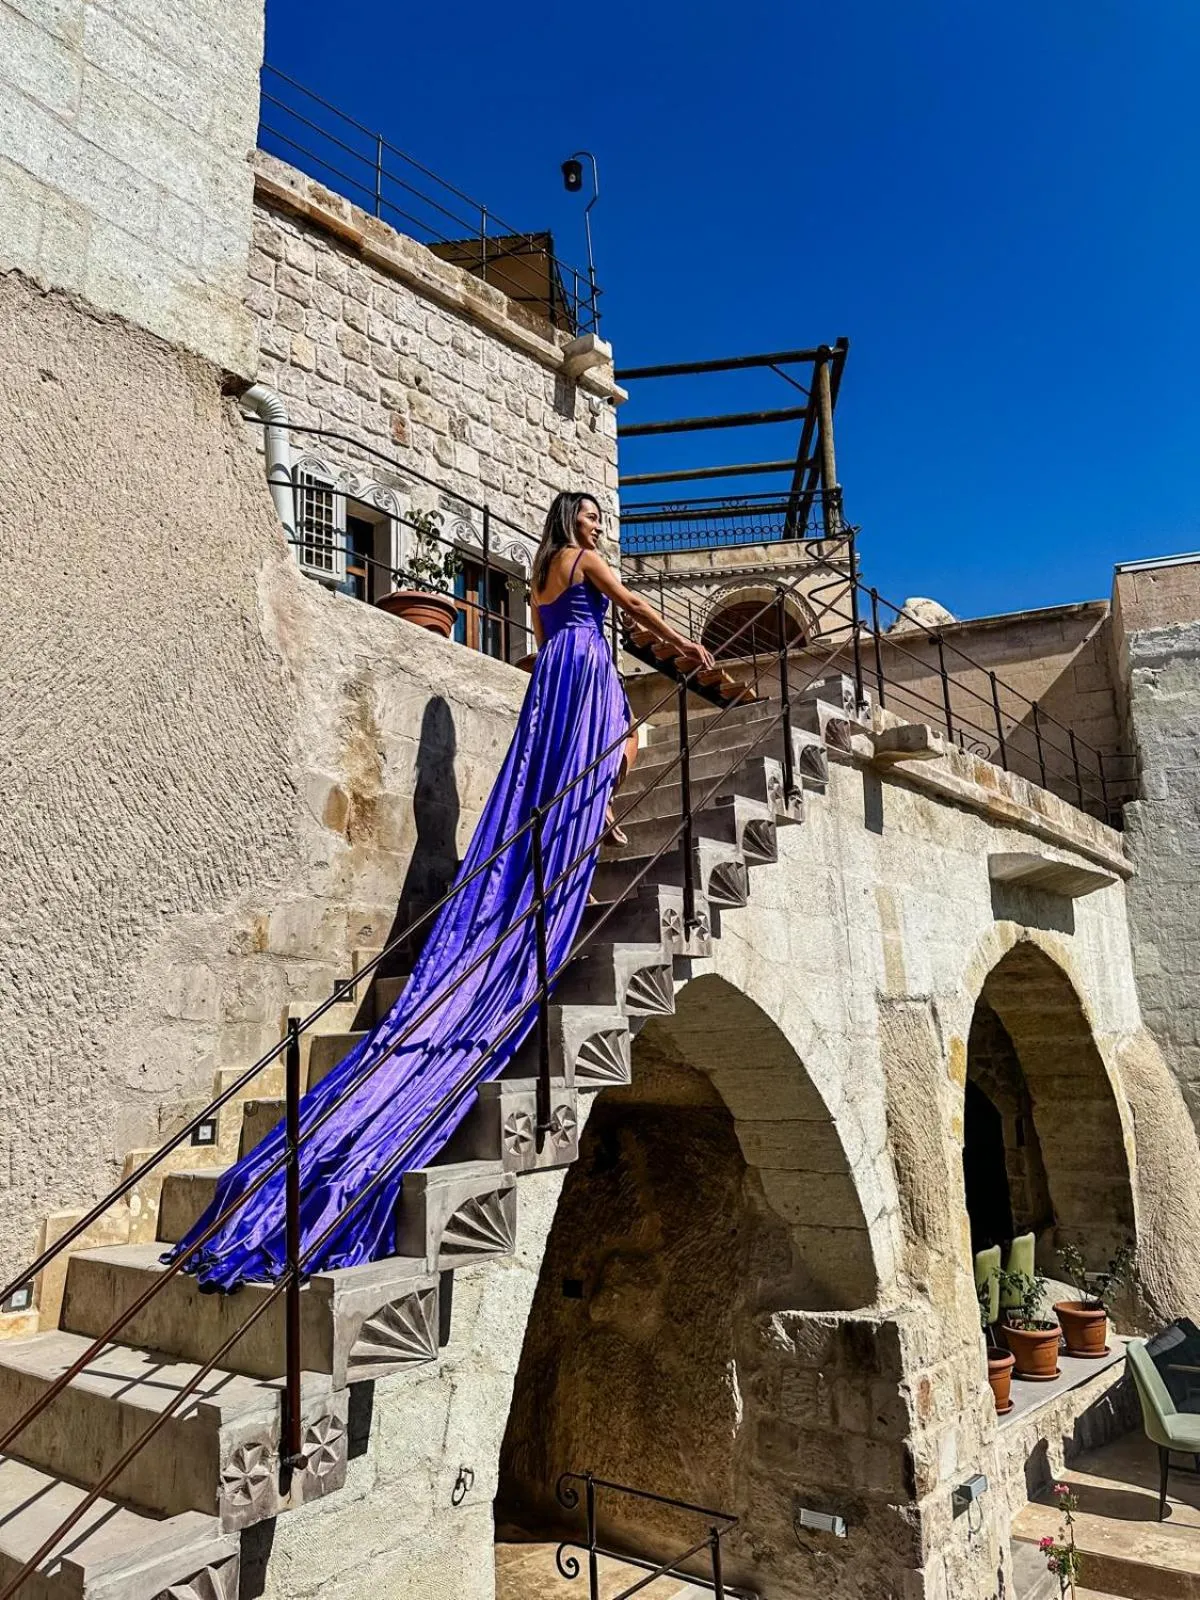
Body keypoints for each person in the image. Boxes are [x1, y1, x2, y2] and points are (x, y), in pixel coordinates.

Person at [165, 490, 711, 1291]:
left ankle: (586, 826)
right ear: (572, 522)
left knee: (575, 765)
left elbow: (551, 630)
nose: (598, 527)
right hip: (587, 669)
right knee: (613, 747)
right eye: (590, 516)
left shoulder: (537, 579)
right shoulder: (586, 561)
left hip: (552, 675)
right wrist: (685, 644)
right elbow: (629, 608)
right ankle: (587, 828)